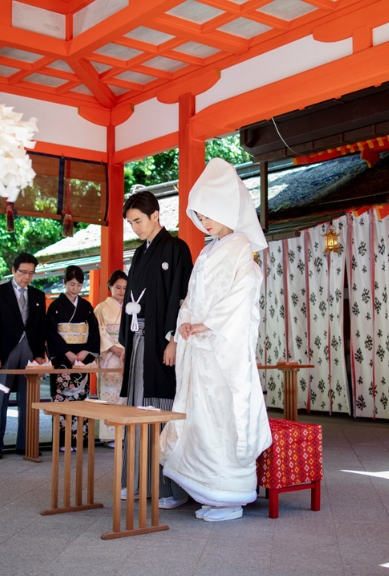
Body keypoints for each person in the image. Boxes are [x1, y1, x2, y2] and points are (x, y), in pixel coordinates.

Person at [160, 158, 272, 522]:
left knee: (224, 416)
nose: (204, 222)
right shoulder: (208, 250)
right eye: (199, 215)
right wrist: (187, 325)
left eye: (209, 214)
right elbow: (192, 297)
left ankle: (231, 496)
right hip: (201, 348)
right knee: (201, 416)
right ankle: (208, 489)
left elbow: (243, 293)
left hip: (224, 347)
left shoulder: (240, 246)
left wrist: (207, 325)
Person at [118, 190, 193, 503]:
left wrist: (173, 338)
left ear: (155, 216)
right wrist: (126, 342)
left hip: (162, 341)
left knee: (160, 407)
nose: (135, 227)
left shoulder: (176, 248)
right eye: (130, 222)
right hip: (139, 341)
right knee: (137, 407)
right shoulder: (138, 254)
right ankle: (137, 481)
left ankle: (169, 487)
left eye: (138, 220)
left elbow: (183, 297)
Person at [0, 252, 48, 460]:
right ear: (13, 270)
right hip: (4, 351)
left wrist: (40, 353)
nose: (26, 277)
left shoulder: (38, 295)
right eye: (23, 272)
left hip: (29, 350)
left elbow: (41, 327)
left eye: (31, 273)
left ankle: (26, 444)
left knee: (29, 398)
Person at [45, 265, 101, 449]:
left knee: (81, 399)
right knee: (63, 399)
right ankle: (62, 442)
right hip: (63, 358)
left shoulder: (86, 307)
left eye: (78, 285)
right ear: (64, 283)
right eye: (71, 284)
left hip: (80, 359)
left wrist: (85, 352)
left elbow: (93, 332)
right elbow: (51, 333)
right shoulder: (55, 307)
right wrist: (66, 352)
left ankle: (80, 440)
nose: (74, 289)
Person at [94, 270, 128, 446]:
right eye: (118, 287)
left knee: (125, 394)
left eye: (124, 288)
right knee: (110, 393)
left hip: (128, 353)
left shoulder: (132, 307)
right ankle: (109, 435)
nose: (121, 291)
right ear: (110, 287)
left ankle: (124, 432)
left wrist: (127, 351)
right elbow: (100, 332)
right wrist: (116, 349)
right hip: (110, 354)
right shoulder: (101, 308)